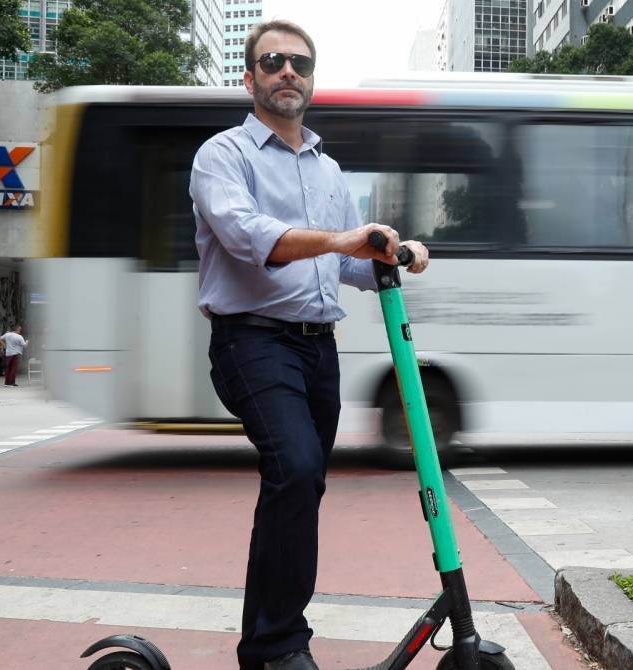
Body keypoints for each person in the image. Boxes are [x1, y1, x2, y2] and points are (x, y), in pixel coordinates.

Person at [189, 19, 430, 670]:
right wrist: (340, 239)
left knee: (299, 486)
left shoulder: (328, 169)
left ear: (313, 79)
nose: (287, 70)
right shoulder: (223, 156)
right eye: (272, 61)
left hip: (316, 349)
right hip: (250, 342)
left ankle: (264, 646)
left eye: (299, 61)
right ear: (250, 78)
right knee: (294, 470)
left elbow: (347, 264)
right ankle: (280, 647)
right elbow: (250, 237)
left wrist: (394, 251)